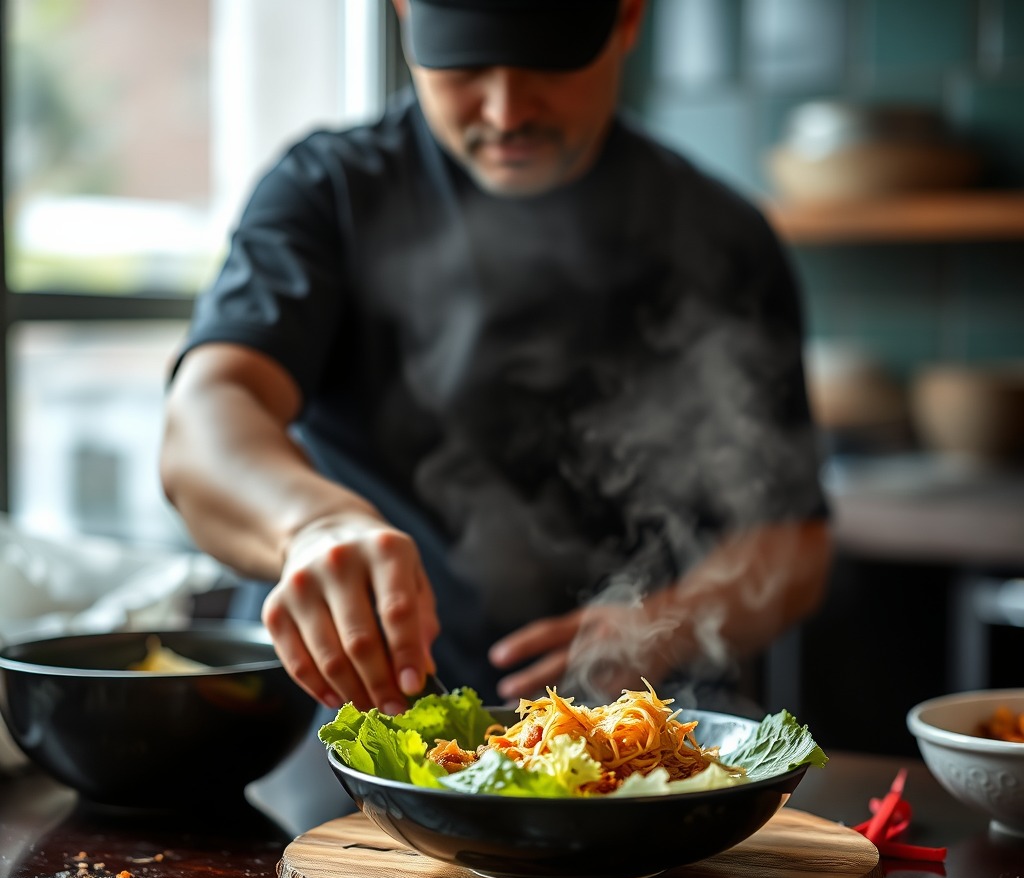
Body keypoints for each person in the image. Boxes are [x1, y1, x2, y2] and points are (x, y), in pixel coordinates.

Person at [160, 0, 832, 721]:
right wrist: (312, 526)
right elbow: (205, 420)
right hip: (356, 732)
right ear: (404, 16)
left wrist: (662, 624)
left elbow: (791, 544)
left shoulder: (719, 236)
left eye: (547, 64)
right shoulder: (329, 194)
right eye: (467, 66)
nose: (507, 111)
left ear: (628, 19)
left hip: (628, 738)